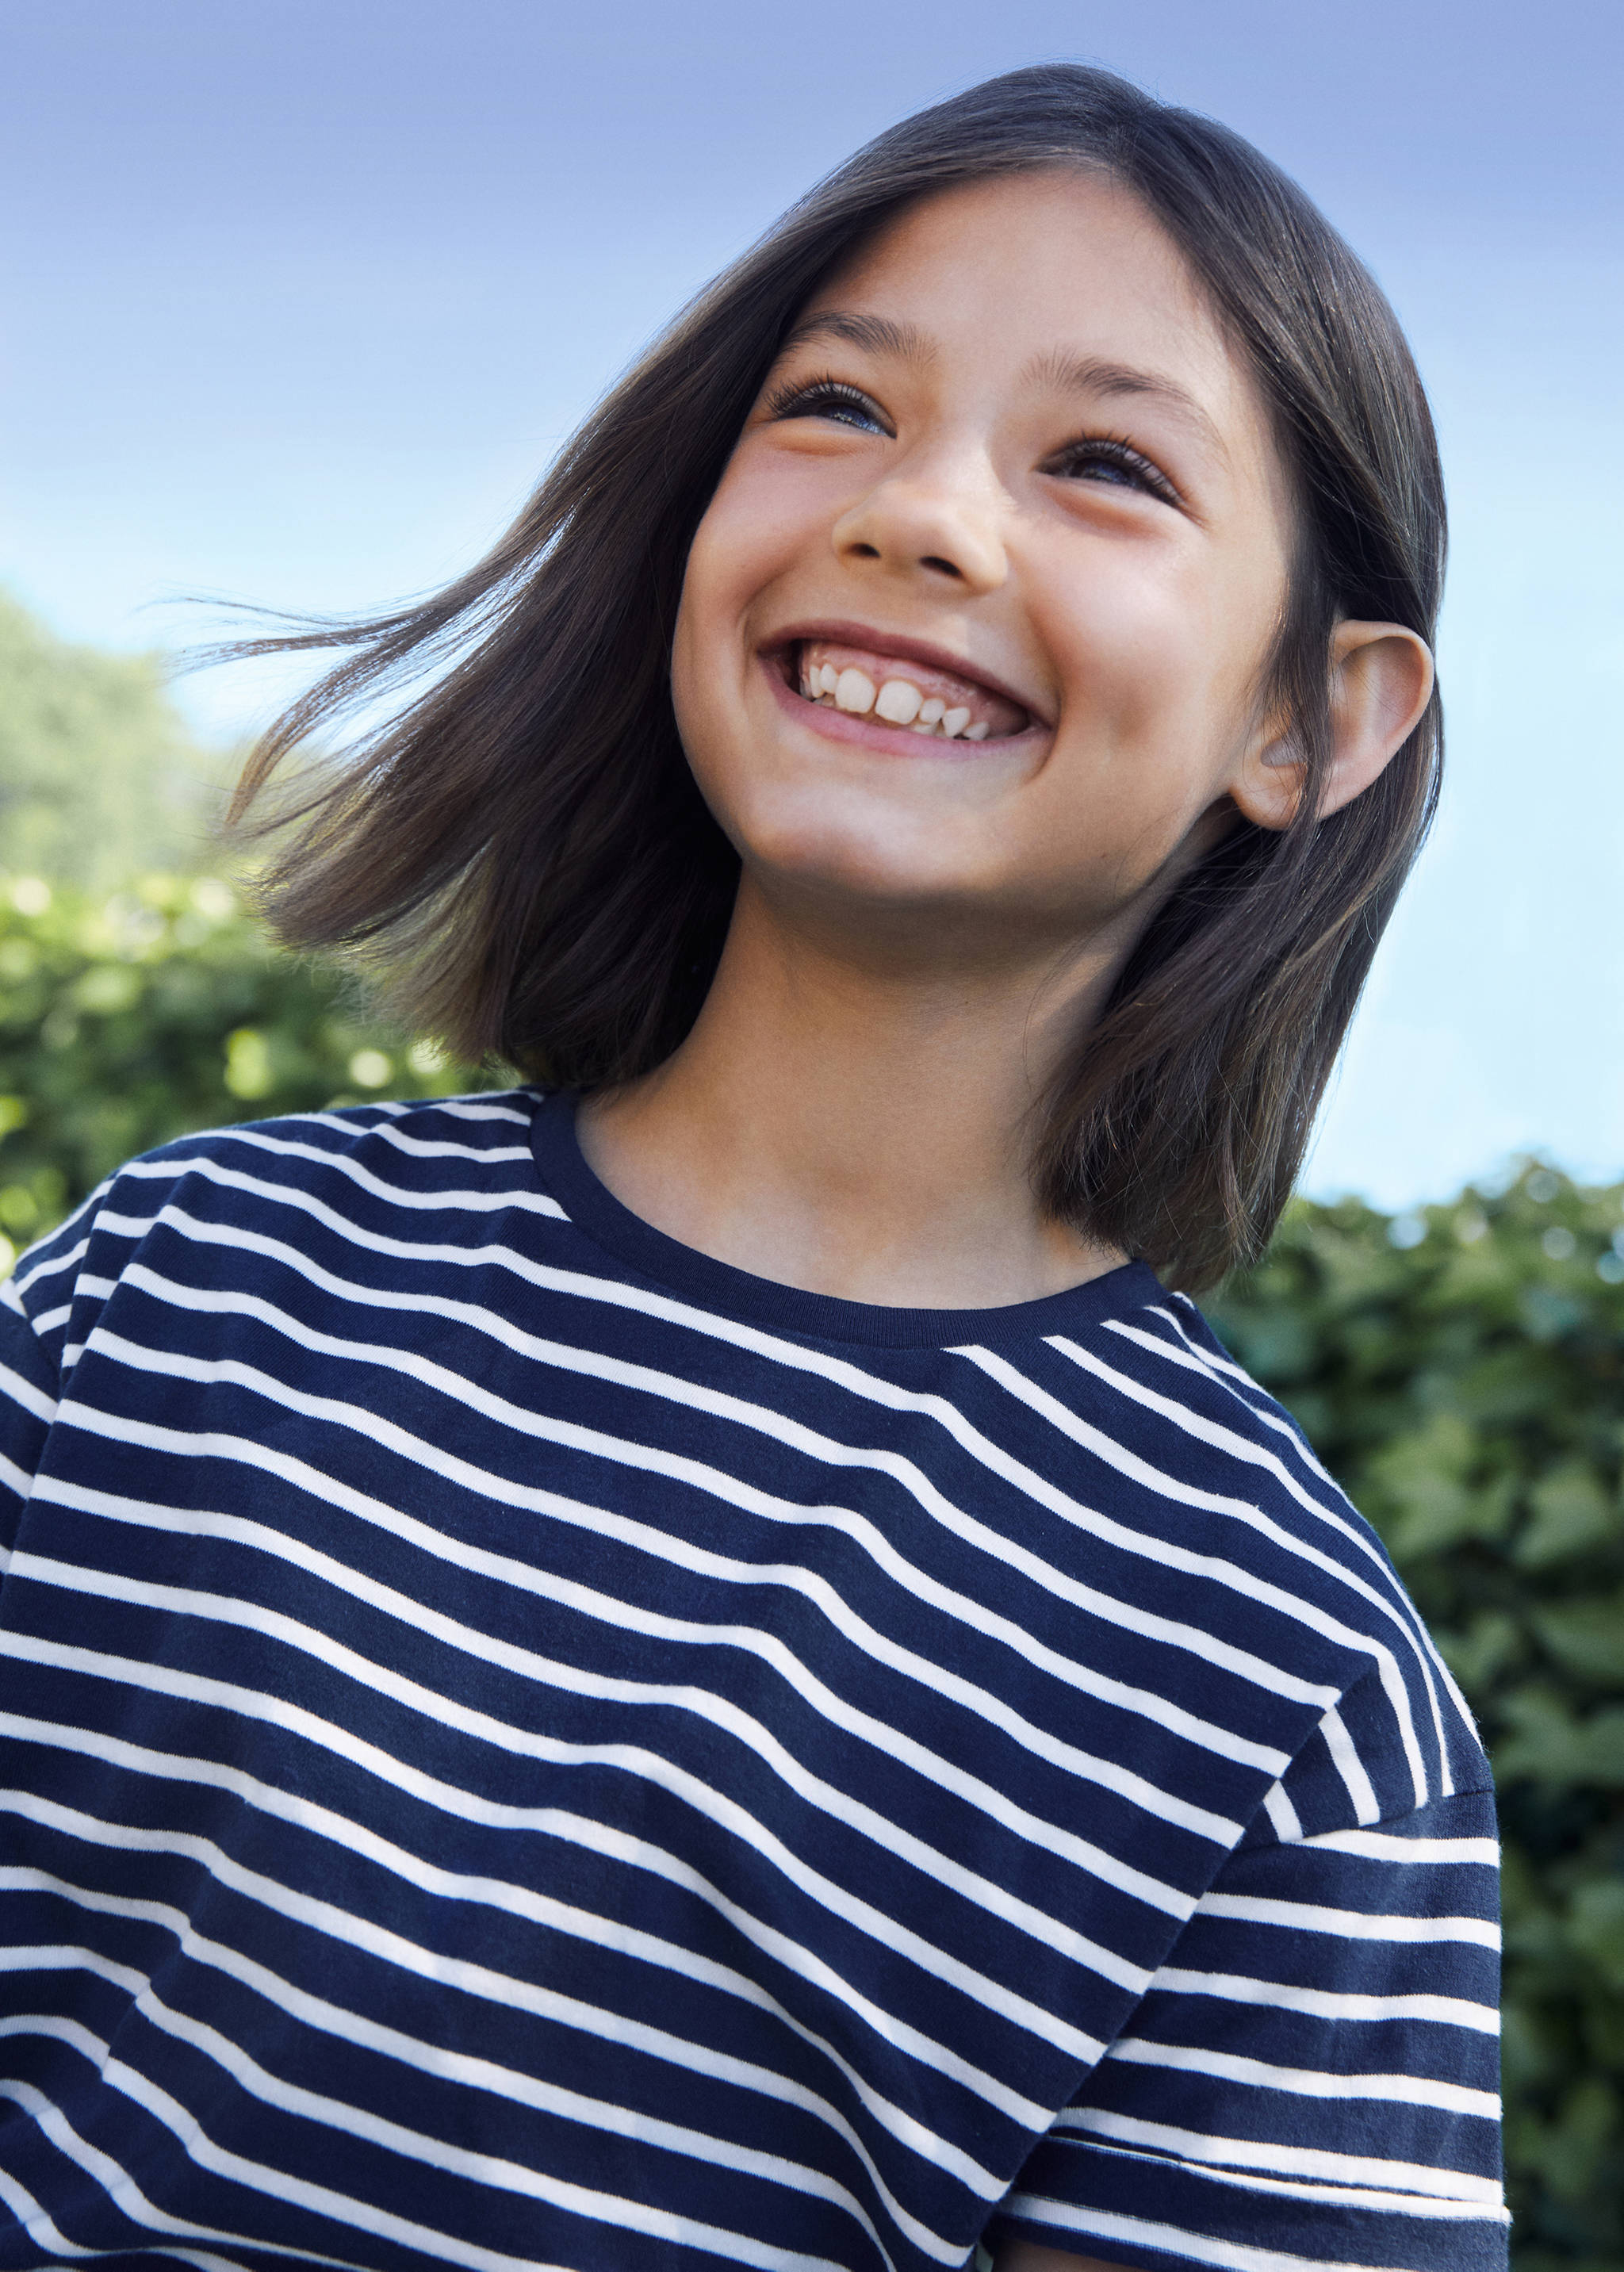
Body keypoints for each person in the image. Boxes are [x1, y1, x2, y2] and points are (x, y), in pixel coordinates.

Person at [0, 62, 1504, 2272]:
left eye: (1106, 464)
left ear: (1313, 721)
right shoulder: (183, 1282)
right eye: (835, 407)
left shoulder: (1283, 1690)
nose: (924, 512)